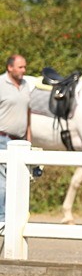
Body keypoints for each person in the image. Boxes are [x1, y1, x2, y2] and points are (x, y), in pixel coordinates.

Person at [0, 54, 33, 232]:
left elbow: (28, 114)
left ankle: (13, 217)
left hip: (20, 141)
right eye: (20, 67)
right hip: (2, 139)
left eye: (24, 67)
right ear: (10, 68)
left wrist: (29, 139)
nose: (23, 71)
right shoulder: (0, 85)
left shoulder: (26, 85)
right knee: (4, 182)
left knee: (19, 181)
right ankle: (3, 220)